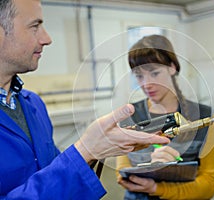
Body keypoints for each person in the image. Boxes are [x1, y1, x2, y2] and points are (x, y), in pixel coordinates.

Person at [0, 0, 170, 199]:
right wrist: (85, 150)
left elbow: (53, 171)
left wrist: (96, 151)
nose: (47, 38)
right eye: (35, 26)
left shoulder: (33, 104)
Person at [116, 34, 214, 200]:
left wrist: (157, 188)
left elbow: (209, 185)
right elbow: (121, 175)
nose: (146, 84)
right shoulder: (128, 117)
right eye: (139, 76)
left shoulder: (204, 118)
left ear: (172, 67)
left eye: (154, 73)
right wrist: (149, 167)